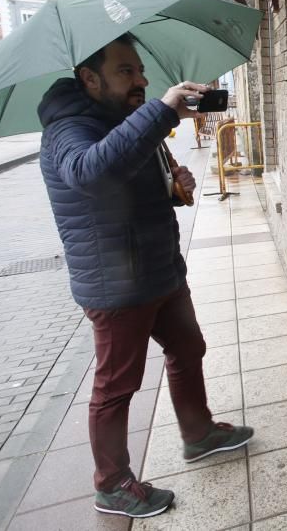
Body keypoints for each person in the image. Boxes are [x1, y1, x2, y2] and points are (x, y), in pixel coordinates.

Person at [37, 34, 253, 518]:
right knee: (117, 385)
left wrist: (175, 189)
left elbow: (135, 184)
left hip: (158, 271)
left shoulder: (124, 122)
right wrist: (160, 113)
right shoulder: (68, 128)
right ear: (89, 79)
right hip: (116, 284)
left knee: (188, 348)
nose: (141, 81)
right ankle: (111, 483)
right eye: (125, 72)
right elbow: (92, 175)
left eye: (139, 70)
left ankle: (198, 434)